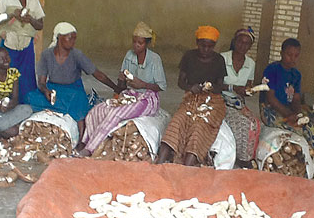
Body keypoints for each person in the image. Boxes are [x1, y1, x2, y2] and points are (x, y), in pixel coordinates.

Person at [78, 22, 167, 156]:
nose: (136, 45)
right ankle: (86, 141)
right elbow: (122, 87)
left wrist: (142, 84)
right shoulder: (129, 55)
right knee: (96, 111)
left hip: (148, 98)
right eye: (134, 42)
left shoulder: (154, 59)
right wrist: (121, 81)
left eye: (140, 43)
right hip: (130, 94)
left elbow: (161, 86)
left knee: (116, 114)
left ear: (147, 44)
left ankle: (90, 148)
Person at [25, 22, 120, 142]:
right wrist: (45, 91)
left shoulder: (77, 55)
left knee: (79, 101)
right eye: (70, 38)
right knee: (30, 97)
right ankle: (63, 108)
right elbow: (41, 82)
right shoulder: (46, 55)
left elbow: (97, 74)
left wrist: (115, 87)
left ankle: (81, 139)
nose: (73, 41)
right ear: (59, 37)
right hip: (54, 89)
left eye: (75, 38)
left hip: (73, 89)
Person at [260, 38, 314, 181]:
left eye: (296, 55)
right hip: (270, 110)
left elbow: (296, 98)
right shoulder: (272, 70)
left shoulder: (296, 74)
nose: (292, 58)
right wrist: (290, 115)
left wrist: (298, 113)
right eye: (289, 54)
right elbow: (271, 99)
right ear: (281, 53)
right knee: (308, 128)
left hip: (289, 109)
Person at [157, 25, 226, 166]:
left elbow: (220, 86)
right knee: (178, 120)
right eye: (202, 46)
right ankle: (160, 162)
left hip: (212, 101)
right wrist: (190, 87)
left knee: (199, 126)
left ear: (214, 46)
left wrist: (212, 88)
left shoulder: (219, 60)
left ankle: (187, 166)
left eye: (210, 47)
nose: (206, 50)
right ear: (197, 43)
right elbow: (180, 82)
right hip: (191, 97)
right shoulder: (189, 56)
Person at [0, 0, 45, 103]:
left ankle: (25, 105)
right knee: (6, 76)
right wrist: (11, 14)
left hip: (26, 46)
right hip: (8, 46)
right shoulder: (6, 0)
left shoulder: (34, 1)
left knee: (26, 78)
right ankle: (4, 105)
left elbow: (40, 25)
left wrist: (31, 19)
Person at [221, 27, 261, 167]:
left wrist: (250, 90)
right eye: (240, 42)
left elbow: (249, 85)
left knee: (254, 123)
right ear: (234, 41)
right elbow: (215, 84)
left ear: (250, 46)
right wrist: (233, 88)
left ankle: (247, 156)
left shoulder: (250, 64)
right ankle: (239, 158)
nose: (242, 46)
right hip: (221, 99)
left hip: (238, 102)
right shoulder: (223, 58)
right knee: (240, 122)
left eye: (246, 44)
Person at [0, 47, 32, 139]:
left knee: (27, 109)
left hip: (7, 111)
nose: (6, 60)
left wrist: (9, 105)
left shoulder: (13, 73)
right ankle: (0, 128)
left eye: (7, 56)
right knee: (14, 131)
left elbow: (15, 99)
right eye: (2, 58)